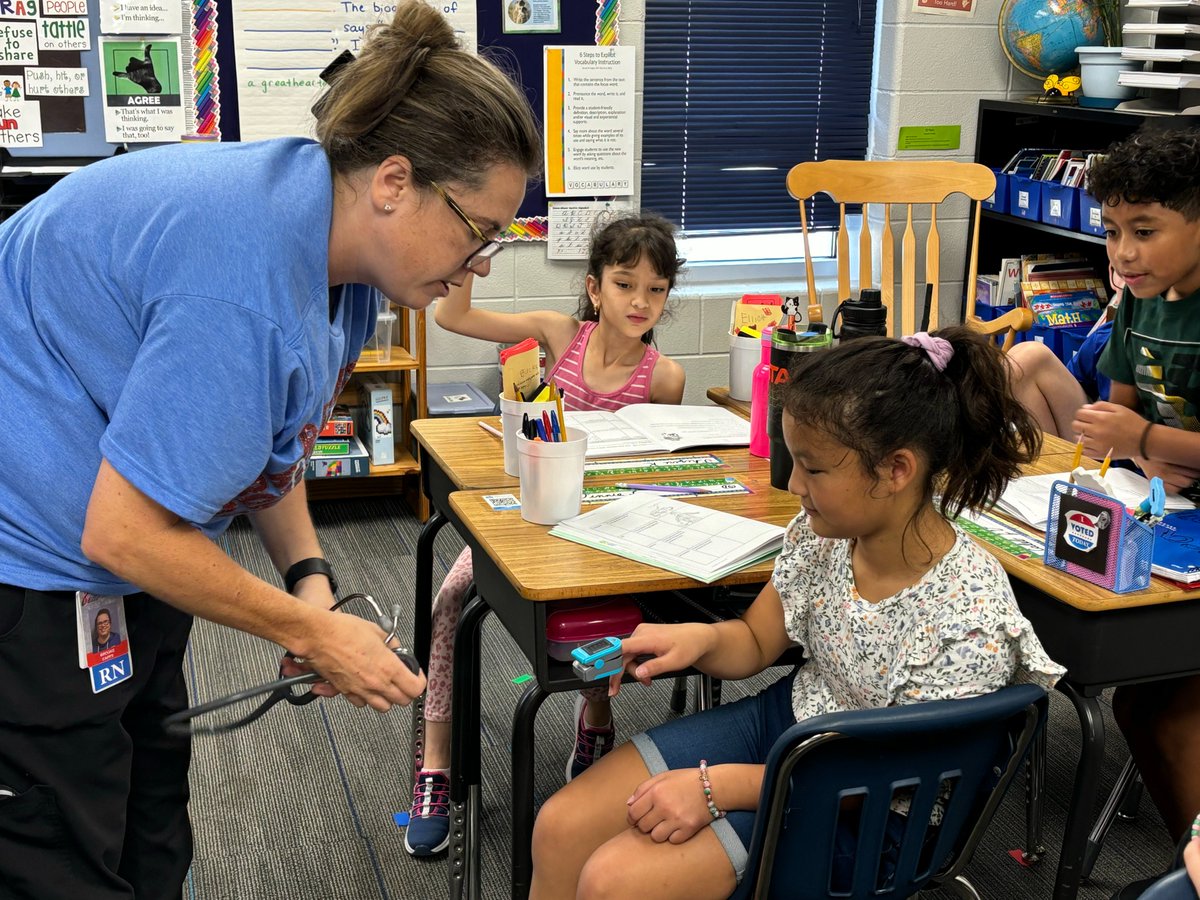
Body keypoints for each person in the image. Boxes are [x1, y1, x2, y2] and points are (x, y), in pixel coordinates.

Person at [0, 3, 541, 898]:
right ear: (395, 182)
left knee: (149, 814)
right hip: (36, 547)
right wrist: (309, 634)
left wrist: (309, 583)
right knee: (55, 849)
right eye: (479, 230)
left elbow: (265, 449)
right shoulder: (242, 287)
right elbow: (123, 535)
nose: (481, 263)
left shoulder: (344, 257)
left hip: (117, 530)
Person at [529, 326, 1066, 900]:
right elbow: (756, 640)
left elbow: (891, 775)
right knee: (561, 826)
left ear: (896, 470)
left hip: (874, 811)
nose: (792, 483)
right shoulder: (826, 536)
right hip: (792, 729)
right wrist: (698, 641)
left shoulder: (968, 613)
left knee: (615, 881)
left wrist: (718, 788)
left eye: (814, 468)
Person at [406, 212, 686, 856]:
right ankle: (437, 763)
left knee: (604, 621)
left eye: (656, 289)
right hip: (527, 518)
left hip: (602, 533)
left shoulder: (664, 377)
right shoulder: (560, 336)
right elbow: (452, 319)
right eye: (624, 284)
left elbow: (654, 468)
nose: (641, 302)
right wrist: (479, 250)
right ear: (593, 288)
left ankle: (598, 718)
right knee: (450, 600)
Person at [1070, 128, 1200, 851]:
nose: (1122, 253)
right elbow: (1116, 418)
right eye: (1113, 231)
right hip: (1173, 512)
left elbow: (1133, 429)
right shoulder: (1140, 300)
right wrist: (1143, 456)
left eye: (1144, 231)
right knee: (1137, 705)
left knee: (1174, 715)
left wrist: (1149, 442)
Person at [1007, 268, 1122, 440]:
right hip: (1104, 453)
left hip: (1150, 456)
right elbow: (1075, 387)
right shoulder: (1106, 337)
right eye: (1119, 274)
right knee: (1023, 360)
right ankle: (1054, 463)